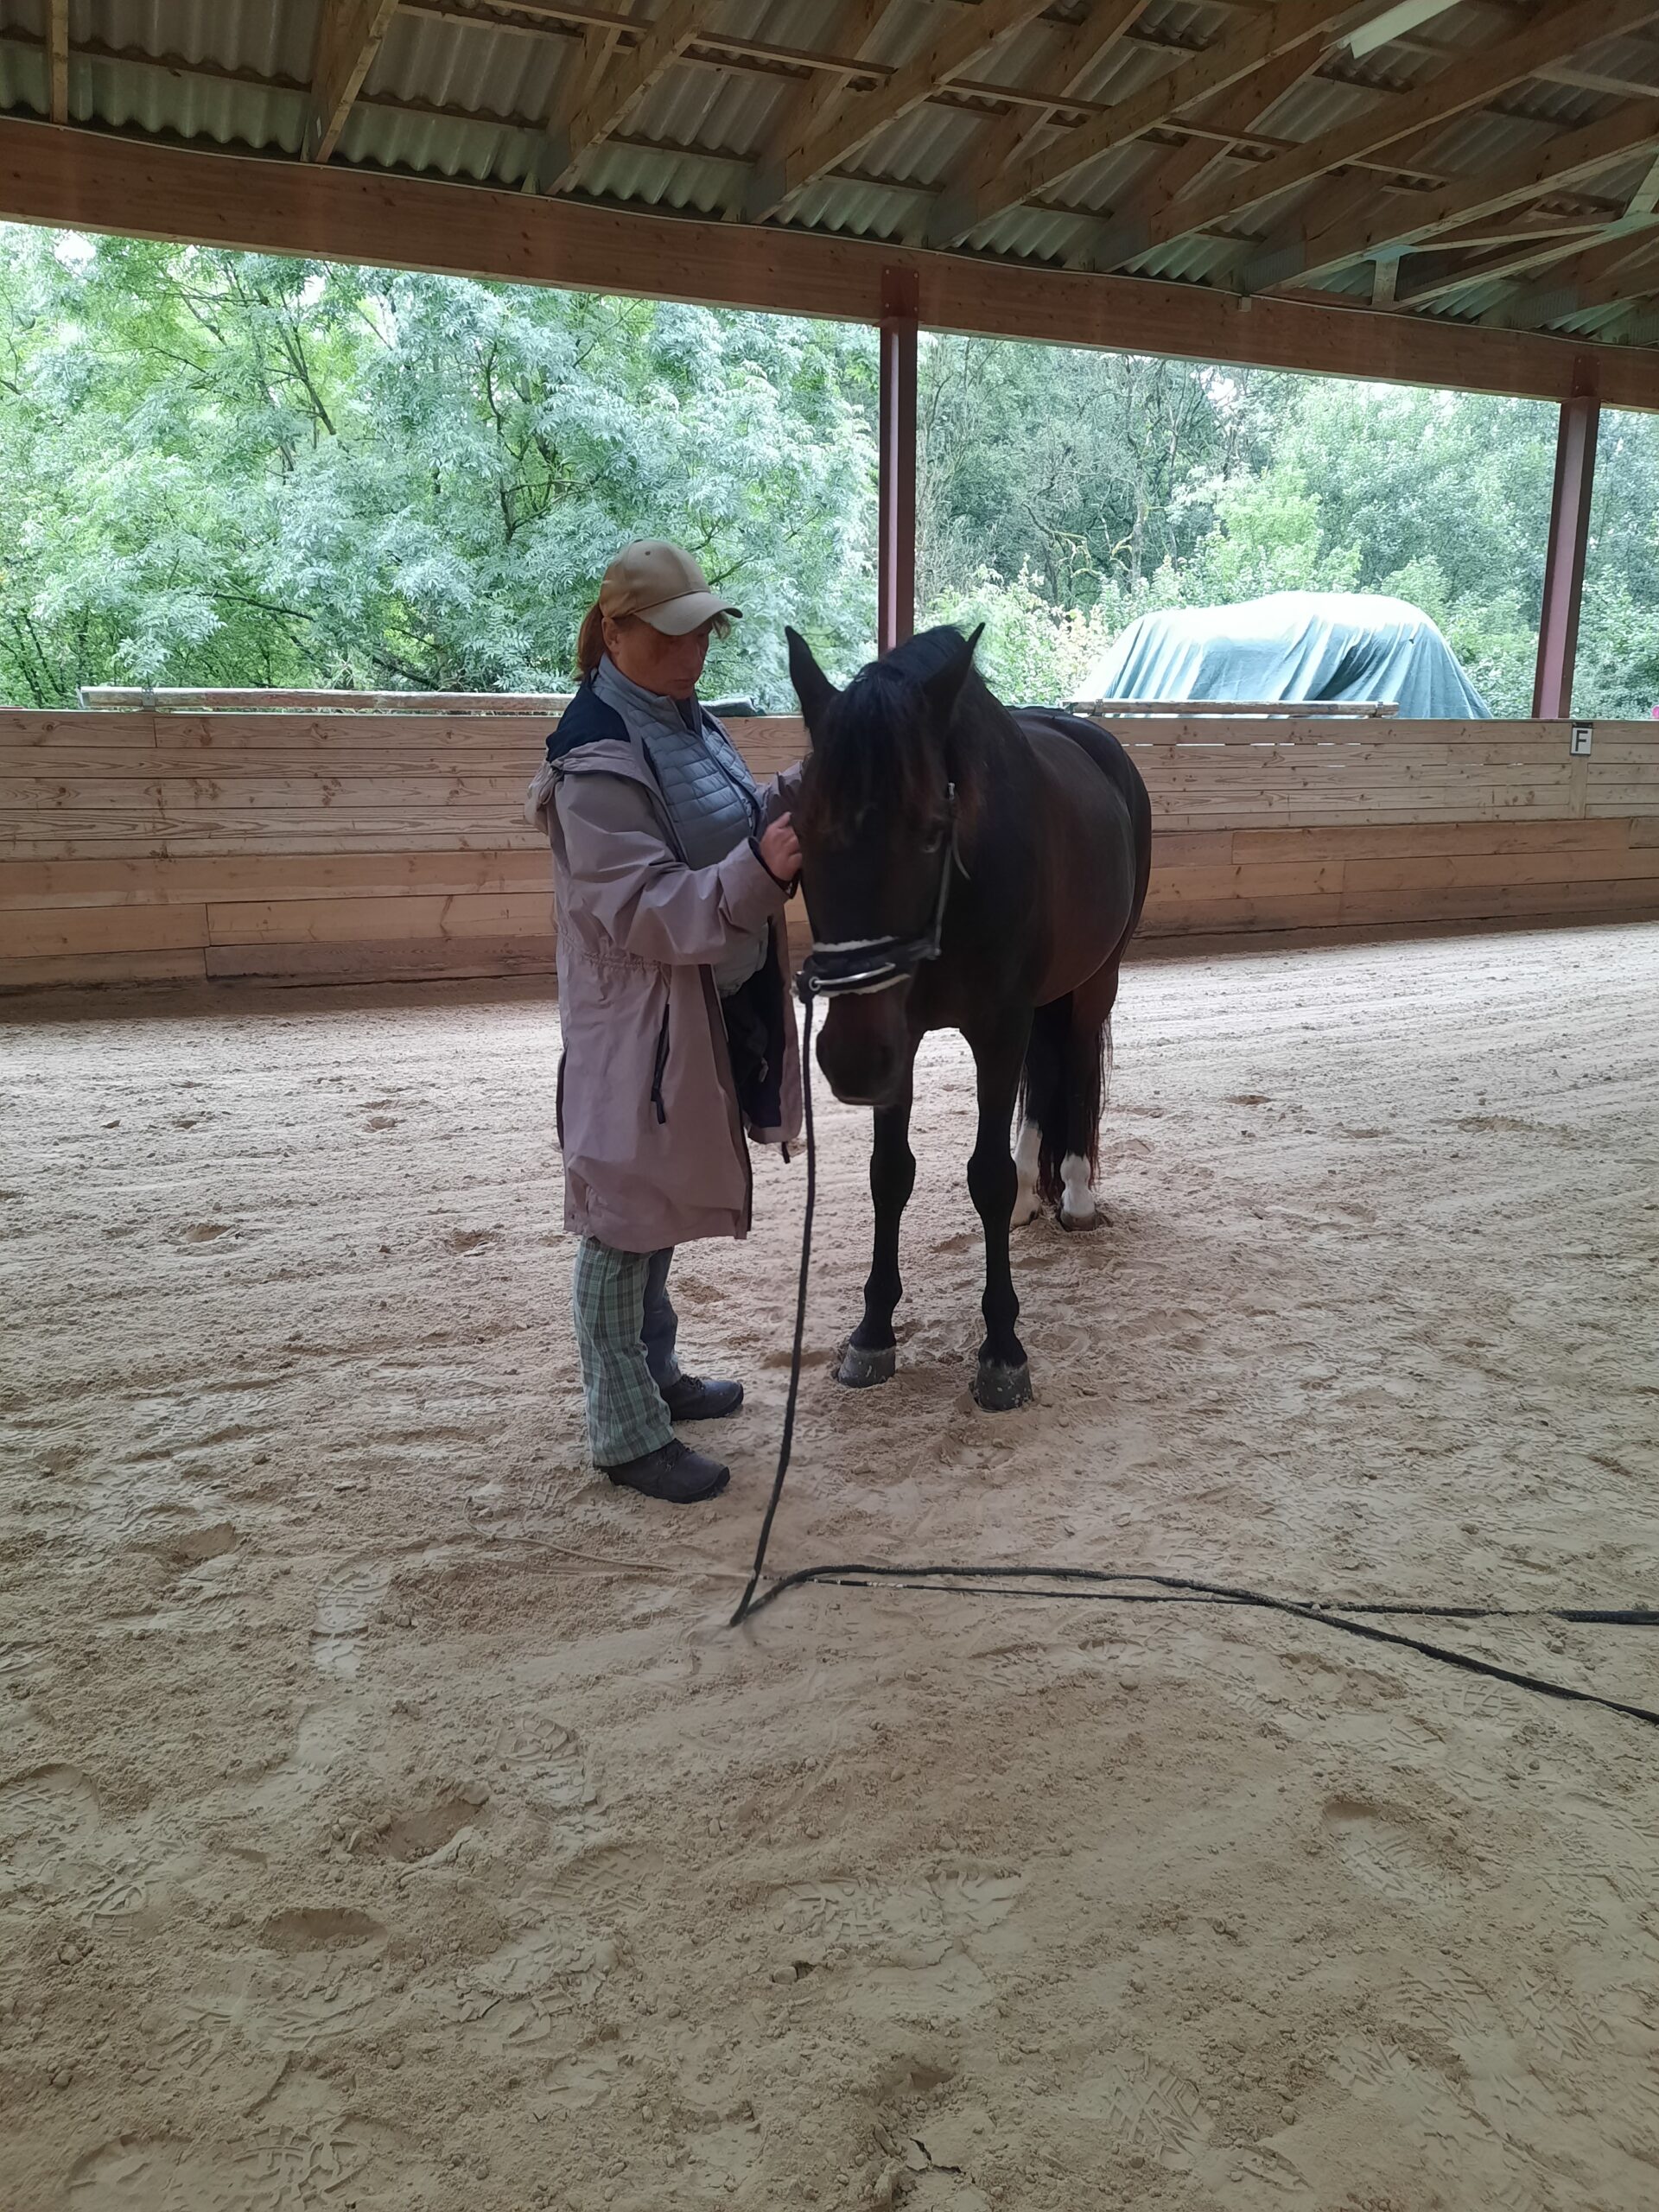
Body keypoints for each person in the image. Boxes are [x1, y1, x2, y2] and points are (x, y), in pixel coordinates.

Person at [526, 542, 804, 1505]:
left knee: (656, 1205)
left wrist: (792, 797)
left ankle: (657, 1375)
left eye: (706, 632)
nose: (697, 653)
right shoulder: (592, 758)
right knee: (620, 1221)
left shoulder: (681, 723)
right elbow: (651, 910)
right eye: (676, 634)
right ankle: (625, 1431)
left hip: (692, 1015)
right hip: (637, 1025)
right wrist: (763, 875)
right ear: (617, 632)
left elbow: (721, 826)